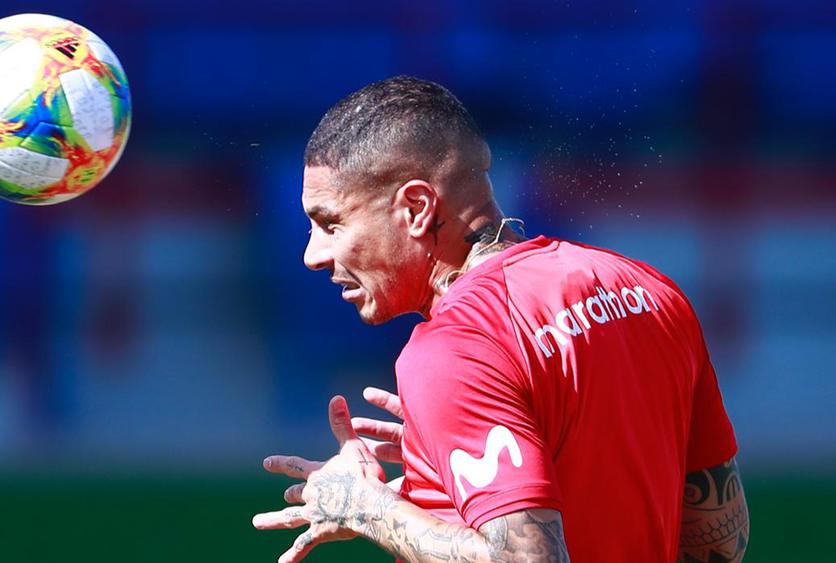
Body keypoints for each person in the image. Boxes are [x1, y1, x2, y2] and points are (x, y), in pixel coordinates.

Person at [252, 76, 748, 563]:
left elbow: (529, 559)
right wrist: (449, 461)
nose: (313, 255)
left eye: (330, 223)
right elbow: (720, 541)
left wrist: (368, 509)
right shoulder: (646, 290)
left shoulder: (453, 349)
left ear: (417, 208)